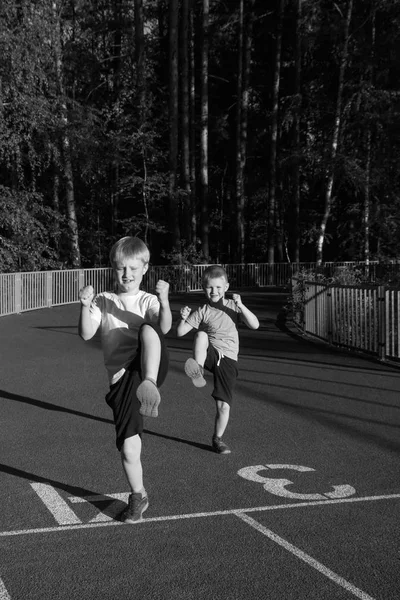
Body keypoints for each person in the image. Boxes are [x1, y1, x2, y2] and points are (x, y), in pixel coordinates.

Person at [78, 236, 172, 524]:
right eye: (121, 269)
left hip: (147, 366)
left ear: (145, 269)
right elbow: (86, 334)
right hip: (121, 381)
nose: (127, 275)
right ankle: (138, 495)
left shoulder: (148, 300)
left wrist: (165, 301)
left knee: (147, 328)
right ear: (112, 269)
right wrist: (84, 305)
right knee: (129, 449)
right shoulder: (103, 301)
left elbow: (164, 327)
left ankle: (151, 384)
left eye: (133, 268)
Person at [176, 265, 259, 454]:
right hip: (210, 355)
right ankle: (197, 370)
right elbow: (181, 332)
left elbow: (255, 325)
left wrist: (241, 306)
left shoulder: (233, 306)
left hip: (228, 360)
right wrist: (183, 318)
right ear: (203, 287)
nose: (214, 291)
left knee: (223, 407)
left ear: (226, 287)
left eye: (218, 288)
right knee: (201, 336)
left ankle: (217, 439)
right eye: (209, 287)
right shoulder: (203, 310)